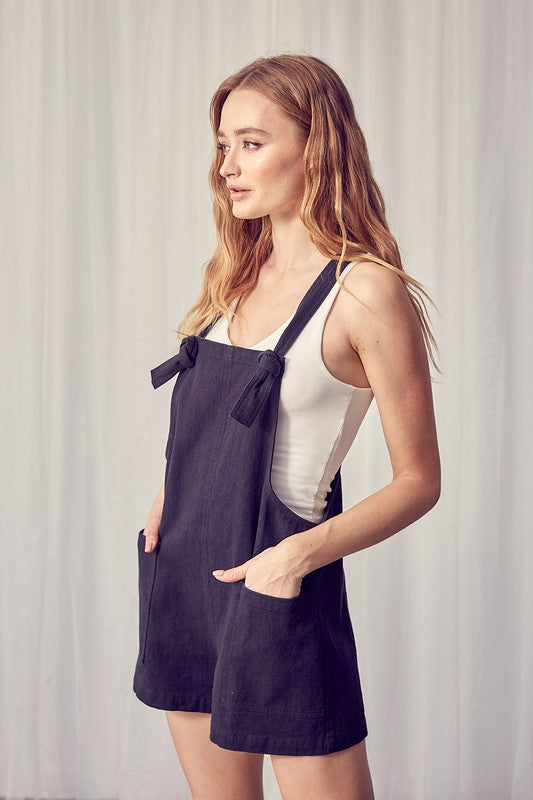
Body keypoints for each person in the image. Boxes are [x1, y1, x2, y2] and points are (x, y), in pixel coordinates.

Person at [133, 53, 441, 800]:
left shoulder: (364, 292)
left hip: (280, 583)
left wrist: (295, 557)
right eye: (223, 145)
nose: (227, 167)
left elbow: (419, 482)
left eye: (251, 143)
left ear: (316, 147)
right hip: (185, 583)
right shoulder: (231, 280)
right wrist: (167, 499)